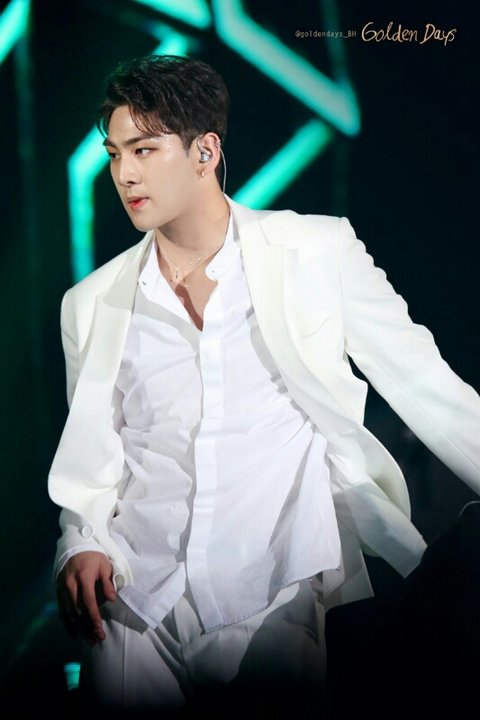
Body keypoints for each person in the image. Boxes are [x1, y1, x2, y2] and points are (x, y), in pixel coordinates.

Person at [48, 54, 480, 714]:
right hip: (135, 608)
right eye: (114, 154)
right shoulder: (90, 303)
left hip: (277, 589)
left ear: (205, 152)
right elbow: (94, 465)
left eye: (144, 149)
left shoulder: (315, 251)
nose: (124, 173)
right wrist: (81, 542)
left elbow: (425, 382)